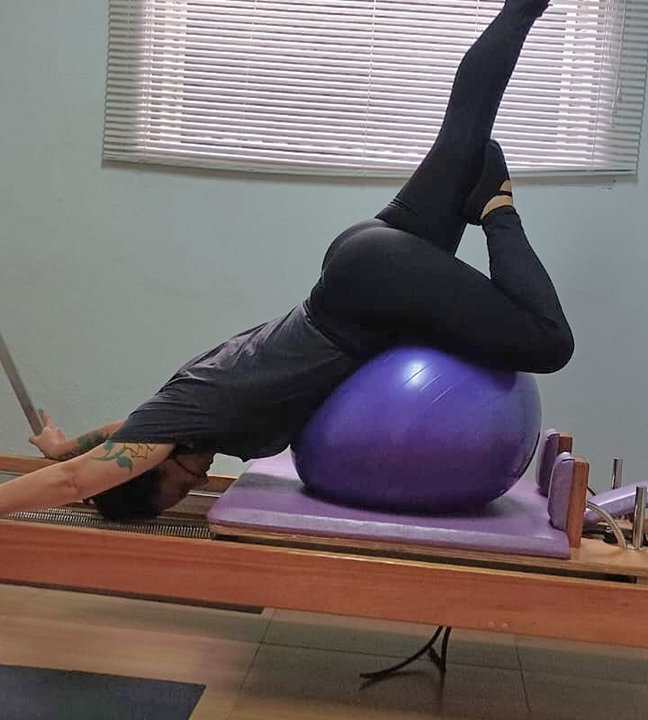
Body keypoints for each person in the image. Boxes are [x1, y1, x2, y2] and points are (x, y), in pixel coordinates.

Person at [0, 0, 572, 521]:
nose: (197, 480)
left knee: (548, 342)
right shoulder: (175, 411)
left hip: (370, 291)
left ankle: (495, 207)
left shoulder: (175, 425)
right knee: (466, 128)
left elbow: (75, 482)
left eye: (178, 485)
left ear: (150, 466)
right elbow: (113, 437)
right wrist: (63, 446)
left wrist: (50, 475)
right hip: (362, 264)